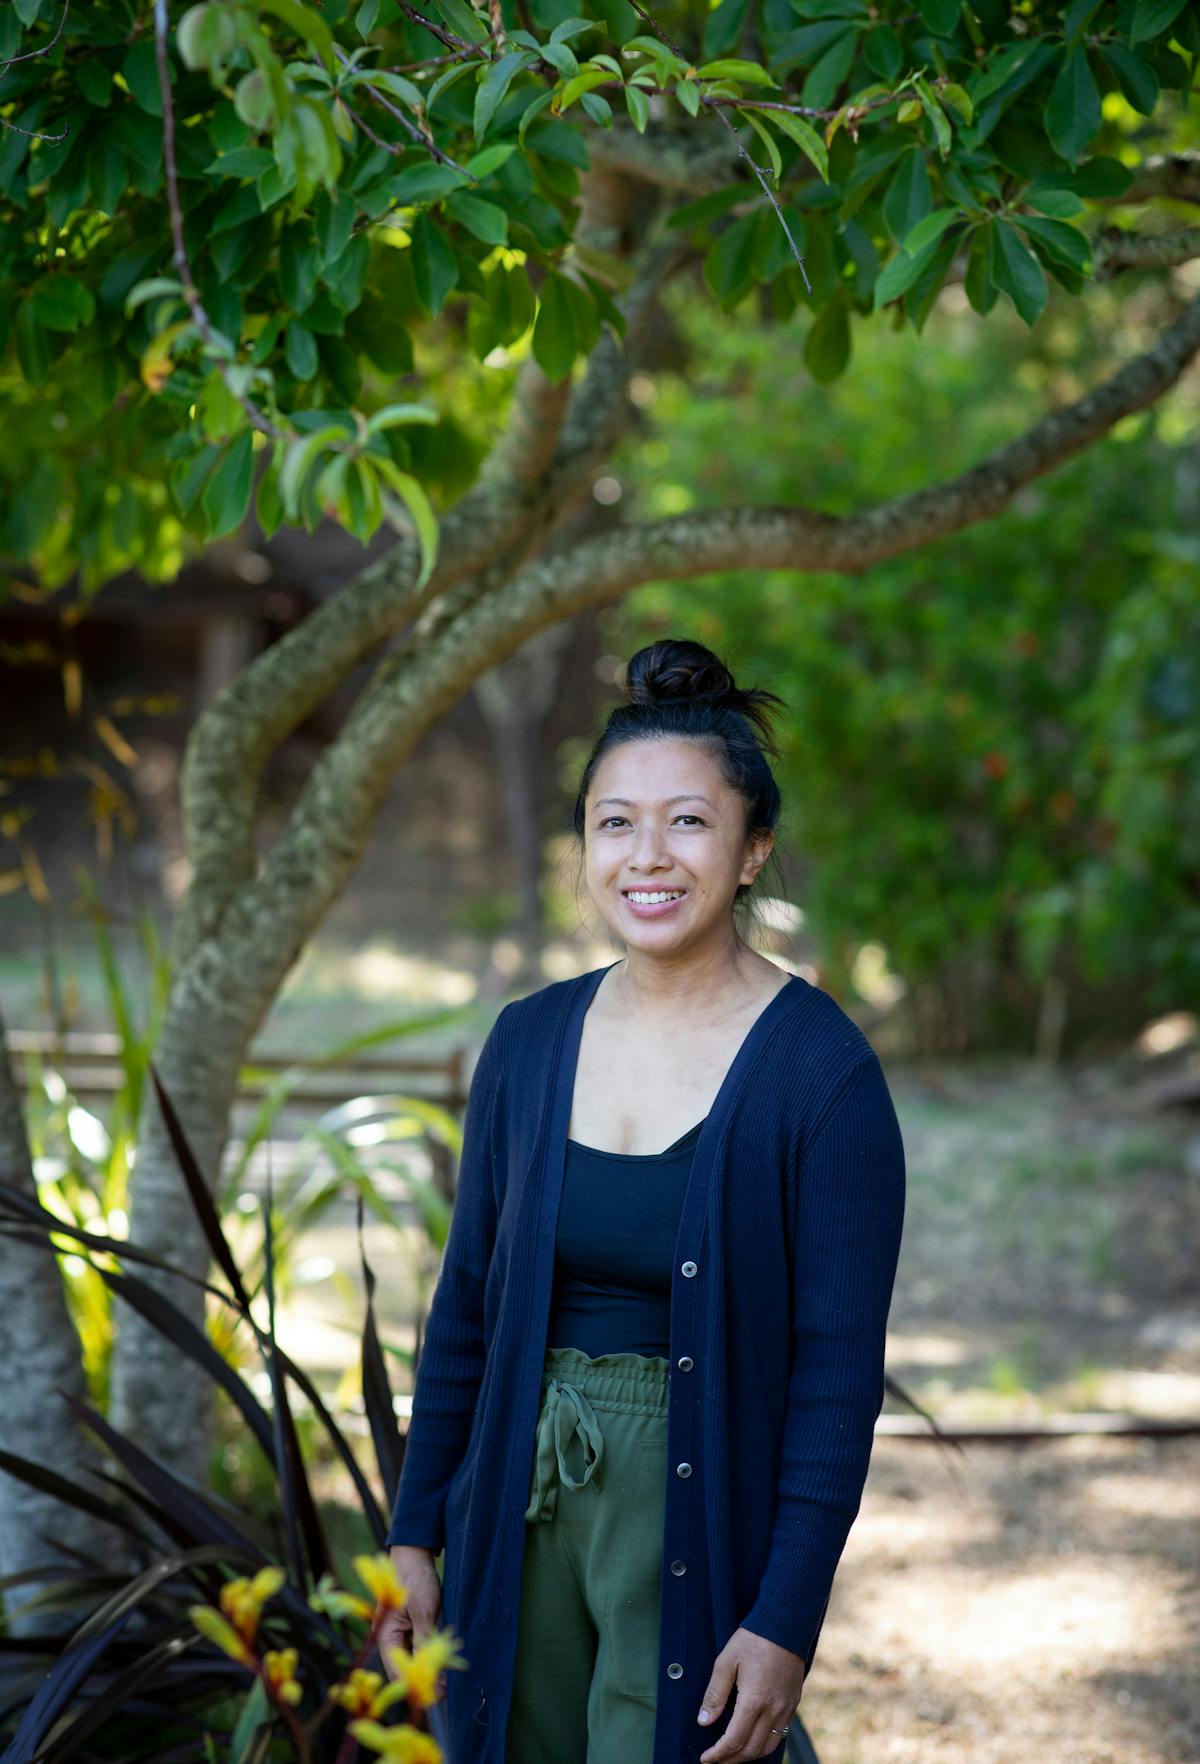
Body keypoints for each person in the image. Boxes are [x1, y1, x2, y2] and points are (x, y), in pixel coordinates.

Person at [378, 637, 907, 1764]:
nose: (646, 855)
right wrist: (417, 1529)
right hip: (514, 1495)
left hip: (691, 1502)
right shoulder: (527, 1043)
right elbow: (466, 1304)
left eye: (689, 822)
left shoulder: (822, 1076)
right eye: (615, 822)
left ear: (754, 848)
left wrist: (783, 1621)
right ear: (584, 845)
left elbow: (835, 1377)